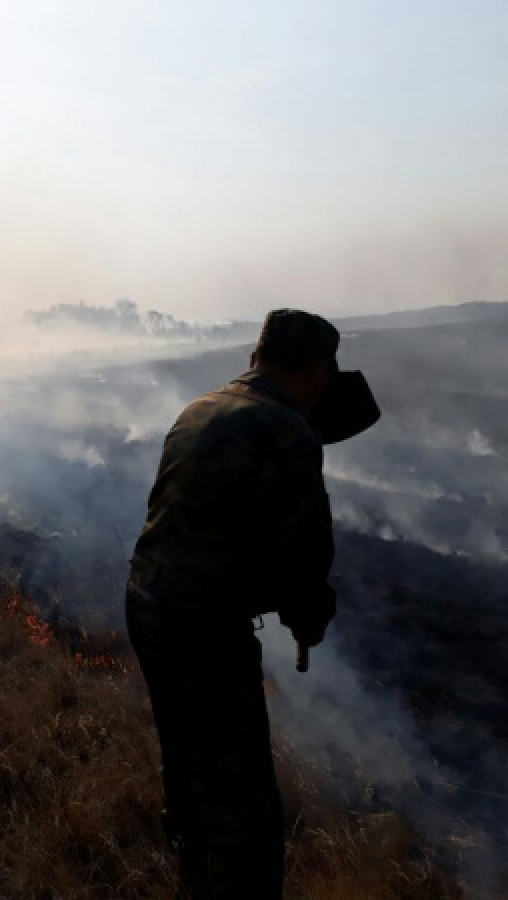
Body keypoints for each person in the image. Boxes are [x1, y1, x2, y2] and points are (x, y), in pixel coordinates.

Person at [126, 309, 341, 898]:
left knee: (188, 758)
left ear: (255, 357)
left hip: (147, 599)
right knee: (243, 794)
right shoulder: (287, 429)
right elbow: (305, 556)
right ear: (320, 373)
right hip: (202, 624)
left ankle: (195, 872)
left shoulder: (199, 407)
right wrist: (308, 618)